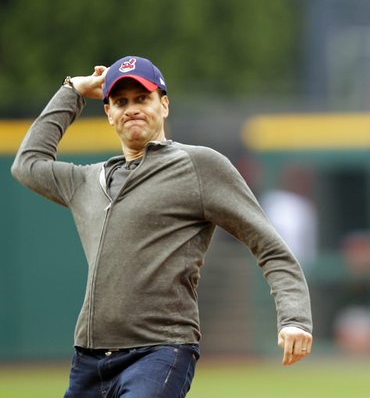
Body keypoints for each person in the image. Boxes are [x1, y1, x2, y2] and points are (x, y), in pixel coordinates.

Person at [11, 56, 313, 398]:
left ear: (164, 104)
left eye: (142, 98)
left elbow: (269, 246)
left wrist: (295, 318)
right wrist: (74, 91)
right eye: (120, 102)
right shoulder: (87, 181)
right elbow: (28, 164)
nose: (132, 109)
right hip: (90, 358)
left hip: (160, 352)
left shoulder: (199, 166)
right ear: (108, 113)